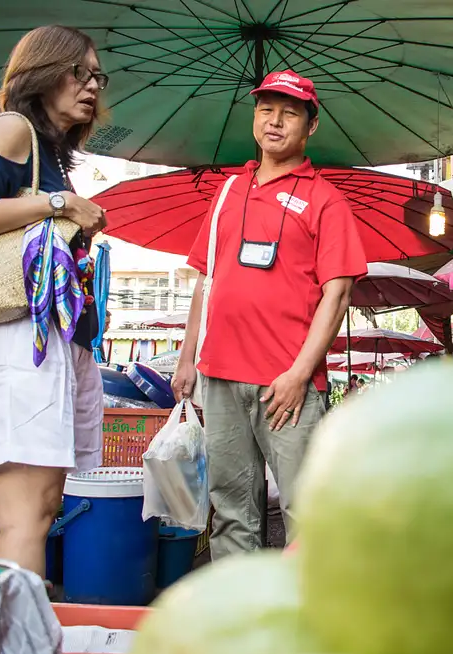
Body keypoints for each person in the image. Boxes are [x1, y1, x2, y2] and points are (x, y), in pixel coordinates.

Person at [171, 70, 367, 559]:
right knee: (232, 510)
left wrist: (300, 374)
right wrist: (186, 355)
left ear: (311, 126)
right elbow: (206, 279)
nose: (274, 121)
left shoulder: (326, 200)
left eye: (289, 112)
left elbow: (337, 294)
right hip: (218, 376)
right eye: (265, 109)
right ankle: (239, 618)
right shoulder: (228, 193)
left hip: (288, 386)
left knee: (307, 513)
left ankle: (307, 620)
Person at [0, 25, 108, 576]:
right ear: (43, 71)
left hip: (50, 342)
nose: (91, 86)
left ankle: (6, 627)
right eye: (78, 71)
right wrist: (60, 203)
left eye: (97, 76)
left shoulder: (53, 153)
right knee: (23, 514)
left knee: (41, 507)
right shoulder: (13, 129)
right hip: (16, 341)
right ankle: (5, 640)